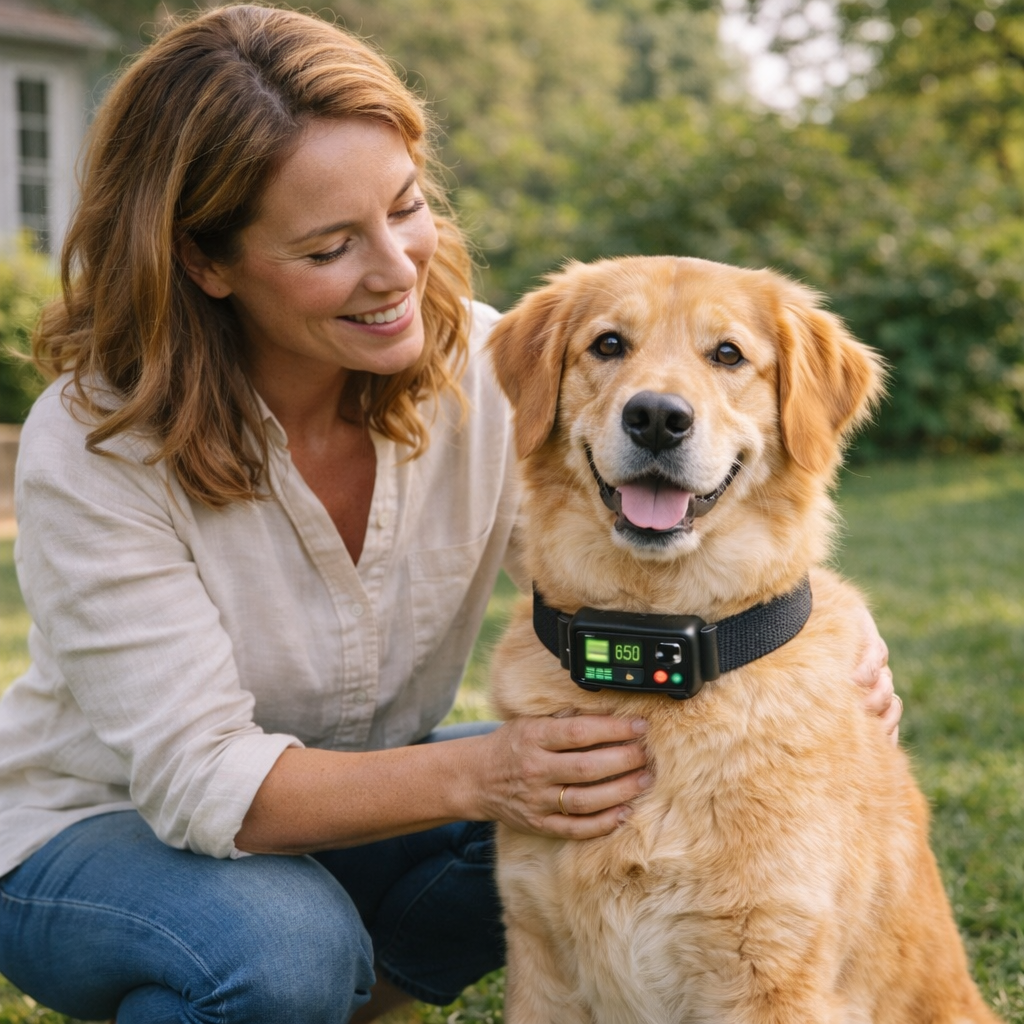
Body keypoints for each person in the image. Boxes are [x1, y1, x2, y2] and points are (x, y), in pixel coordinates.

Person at [0, 6, 900, 1023]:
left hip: (360, 814)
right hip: (98, 836)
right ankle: (283, 982)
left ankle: (335, 996)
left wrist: (813, 623)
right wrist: (490, 773)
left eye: (404, 207)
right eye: (331, 245)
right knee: (282, 943)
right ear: (207, 263)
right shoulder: (95, 443)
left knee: (628, 794)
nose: (396, 270)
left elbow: (619, 568)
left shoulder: (487, 369)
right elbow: (203, 781)